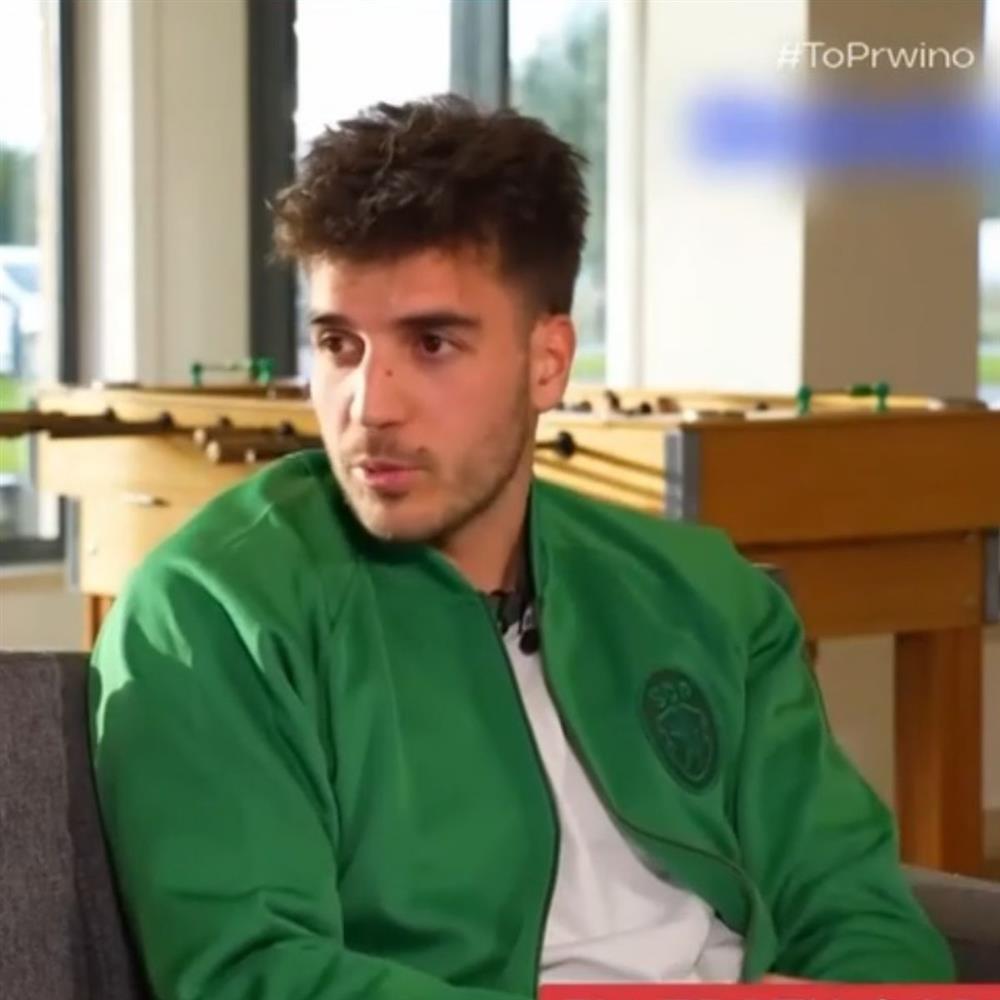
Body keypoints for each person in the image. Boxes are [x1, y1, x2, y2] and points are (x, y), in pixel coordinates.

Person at [89, 95, 952, 999]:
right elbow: (253, 974)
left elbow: (858, 913)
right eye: (339, 344)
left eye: (432, 343)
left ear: (548, 361)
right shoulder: (212, 611)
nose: (370, 405)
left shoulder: (709, 597)